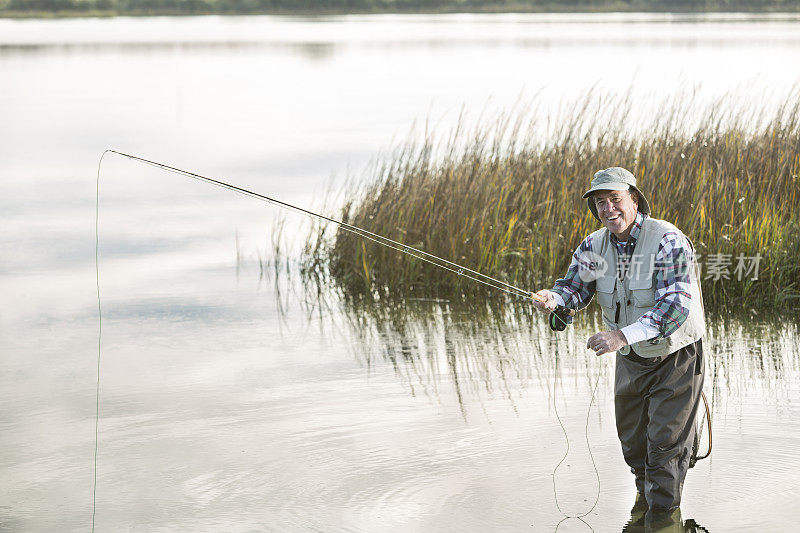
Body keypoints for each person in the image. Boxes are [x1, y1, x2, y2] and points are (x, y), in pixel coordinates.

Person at [532, 167, 706, 528]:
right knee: (634, 445)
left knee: (663, 449)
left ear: (634, 200)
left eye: (615, 199)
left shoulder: (667, 240)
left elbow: (676, 305)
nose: (608, 208)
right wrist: (554, 299)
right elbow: (574, 289)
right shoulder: (592, 246)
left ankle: (663, 516)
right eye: (600, 202)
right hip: (630, 359)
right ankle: (648, 503)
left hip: (675, 356)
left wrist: (620, 336)